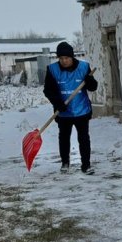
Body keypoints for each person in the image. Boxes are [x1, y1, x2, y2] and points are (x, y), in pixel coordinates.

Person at [43, 41, 98, 175]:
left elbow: (93, 87)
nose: (64, 61)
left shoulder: (84, 67)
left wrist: (90, 81)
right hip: (63, 112)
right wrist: (57, 103)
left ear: (72, 57)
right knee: (64, 138)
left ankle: (86, 165)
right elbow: (48, 90)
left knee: (84, 138)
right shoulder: (52, 70)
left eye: (67, 58)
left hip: (82, 110)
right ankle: (65, 163)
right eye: (61, 58)